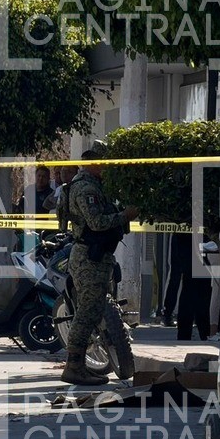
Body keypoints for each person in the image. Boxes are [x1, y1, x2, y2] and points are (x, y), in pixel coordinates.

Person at [60, 141, 138, 386]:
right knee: (86, 313)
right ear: (93, 161)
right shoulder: (85, 188)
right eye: (104, 162)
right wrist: (125, 216)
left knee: (91, 311)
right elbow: (96, 223)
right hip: (88, 258)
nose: (107, 167)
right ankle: (73, 367)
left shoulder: (97, 185)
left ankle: (79, 365)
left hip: (97, 256)